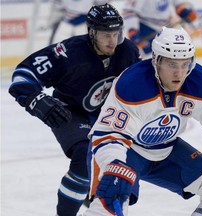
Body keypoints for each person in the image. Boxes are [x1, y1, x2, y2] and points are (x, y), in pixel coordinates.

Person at [84, 26, 202, 216]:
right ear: (156, 61)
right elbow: (108, 135)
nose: (179, 73)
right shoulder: (132, 85)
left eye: (184, 64)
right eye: (172, 64)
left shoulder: (200, 82)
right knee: (110, 203)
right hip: (125, 151)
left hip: (166, 150)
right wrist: (113, 164)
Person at [8, 3, 141, 216]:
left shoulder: (128, 51)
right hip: (69, 112)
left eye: (117, 34)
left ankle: (94, 196)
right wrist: (36, 100)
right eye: (106, 35)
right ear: (91, 33)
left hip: (108, 115)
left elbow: (140, 87)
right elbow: (24, 74)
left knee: (123, 157)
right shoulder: (67, 53)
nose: (113, 41)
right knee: (83, 156)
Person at [122, 0, 197, 57]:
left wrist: (184, 11)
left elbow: (177, 3)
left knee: (167, 57)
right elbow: (130, 12)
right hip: (145, 28)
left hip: (166, 27)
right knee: (149, 59)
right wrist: (133, 31)